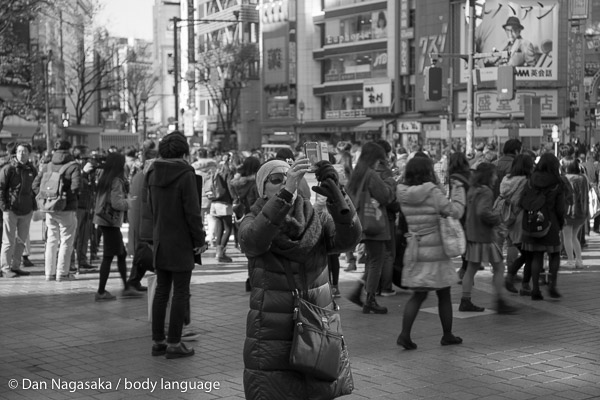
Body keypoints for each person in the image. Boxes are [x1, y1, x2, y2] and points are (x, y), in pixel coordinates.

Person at [240, 158, 361, 399]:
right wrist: (285, 195)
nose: (287, 182)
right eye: (277, 180)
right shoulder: (251, 220)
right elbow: (253, 241)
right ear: (263, 189)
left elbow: (349, 239)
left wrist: (339, 196)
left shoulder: (317, 218)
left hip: (316, 324)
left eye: (291, 176)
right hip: (273, 331)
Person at [395, 156, 465, 350]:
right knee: (444, 293)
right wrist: (459, 192)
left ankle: (404, 334)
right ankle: (447, 334)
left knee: (418, 295)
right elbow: (454, 211)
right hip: (435, 249)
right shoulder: (433, 192)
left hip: (415, 248)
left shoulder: (402, 193)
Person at [148, 132, 206, 359]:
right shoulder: (185, 174)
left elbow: (151, 207)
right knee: (181, 291)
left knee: (162, 290)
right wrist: (199, 240)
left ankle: (158, 342)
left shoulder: (152, 172)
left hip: (161, 238)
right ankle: (174, 342)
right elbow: (192, 212)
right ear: (183, 152)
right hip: (181, 240)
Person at [346, 142, 396, 314]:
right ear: (374, 159)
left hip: (360, 222)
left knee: (371, 260)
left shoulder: (357, 174)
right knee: (376, 261)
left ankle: (358, 291)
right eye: (379, 160)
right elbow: (386, 196)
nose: (379, 164)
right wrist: (390, 182)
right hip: (374, 223)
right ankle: (370, 299)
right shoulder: (371, 175)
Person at [460, 163, 517, 314]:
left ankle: (465, 300)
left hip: (472, 233)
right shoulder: (486, 191)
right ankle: (500, 301)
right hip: (484, 236)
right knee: (499, 267)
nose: (495, 177)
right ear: (488, 175)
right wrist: (497, 218)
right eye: (493, 174)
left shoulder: (473, 189)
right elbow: (483, 212)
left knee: (471, 268)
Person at [92, 152, 139, 301]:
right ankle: (101, 292)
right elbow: (116, 203)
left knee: (121, 254)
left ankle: (126, 287)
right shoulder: (116, 180)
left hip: (104, 220)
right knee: (108, 256)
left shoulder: (104, 177)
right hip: (110, 222)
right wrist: (130, 202)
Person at [32, 140, 80, 282]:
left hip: (49, 208)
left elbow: (35, 185)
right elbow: (76, 187)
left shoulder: (47, 166)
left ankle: (49, 273)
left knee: (52, 239)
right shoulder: (73, 166)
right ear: (69, 150)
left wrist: (46, 199)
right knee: (66, 240)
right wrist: (65, 197)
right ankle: (62, 273)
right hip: (66, 208)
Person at [520, 153, 566, 300]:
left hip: (532, 221)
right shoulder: (557, 182)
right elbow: (560, 207)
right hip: (551, 222)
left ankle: (535, 290)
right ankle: (552, 286)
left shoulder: (531, 180)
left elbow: (523, 199)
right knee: (554, 255)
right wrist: (560, 222)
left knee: (536, 256)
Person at [0, 143, 37, 278]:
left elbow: (34, 189)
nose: (22, 154)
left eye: (25, 151)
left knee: (21, 240)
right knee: (8, 241)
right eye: (19, 151)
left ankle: (16, 266)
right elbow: (1, 188)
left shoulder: (31, 169)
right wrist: (4, 206)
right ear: (15, 153)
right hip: (10, 210)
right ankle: (5, 268)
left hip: (26, 210)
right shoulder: (8, 169)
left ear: (29, 153)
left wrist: (34, 206)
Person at [501, 154, 535, 294]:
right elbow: (528, 200)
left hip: (509, 218)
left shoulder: (506, 180)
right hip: (522, 219)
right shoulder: (526, 181)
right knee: (529, 253)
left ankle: (519, 282)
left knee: (526, 253)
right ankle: (514, 279)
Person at [448, 152, 471, 282]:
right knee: (468, 240)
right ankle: (466, 268)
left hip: (461, 210)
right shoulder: (470, 174)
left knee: (461, 239)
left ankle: (465, 269)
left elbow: (454, 197)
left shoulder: (454, 178)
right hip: (471, 210)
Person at [562, 157, 589, 269]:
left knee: (567, 236)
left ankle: (570, 261)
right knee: (574, 237)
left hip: (568, 212)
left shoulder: (564, 178)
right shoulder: (583, 178)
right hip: (581, 212)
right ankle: (579, 260)